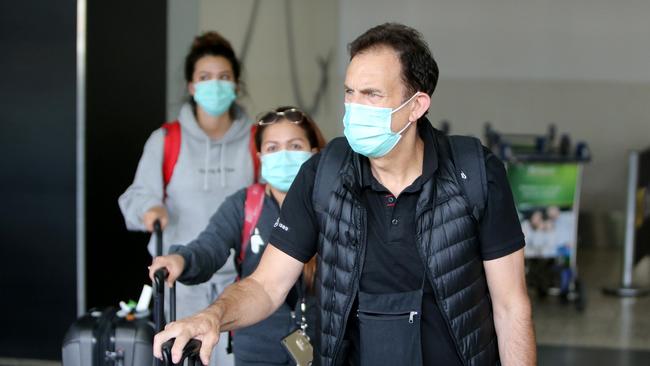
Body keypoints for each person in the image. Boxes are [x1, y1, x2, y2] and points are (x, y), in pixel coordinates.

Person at [154, 23, 536, 366]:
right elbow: (266, 286)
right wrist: (213, 316)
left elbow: (510, 306)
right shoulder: (324, 175)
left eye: (372, 94)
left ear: (416, 105)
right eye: (350, 92)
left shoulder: (474, 172)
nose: (354, 108)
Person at [149, 106, 325, 366]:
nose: (284, 155)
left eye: (295, 146)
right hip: (256, 346)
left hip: (322, 343)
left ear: (314, 153)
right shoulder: (244, 205)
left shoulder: (333, 205)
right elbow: (209, 247)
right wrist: (181, 260)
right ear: (260, 156)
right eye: (273, 148)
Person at [119, 31, 255, 366]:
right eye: (205, 78)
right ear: (192, 86)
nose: (215, 85)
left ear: (236, 84)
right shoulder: (166, 140)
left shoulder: (256, 140)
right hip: (181, 287)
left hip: (243, 287)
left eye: (224, 77)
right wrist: (149, 209)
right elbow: (134, 199)